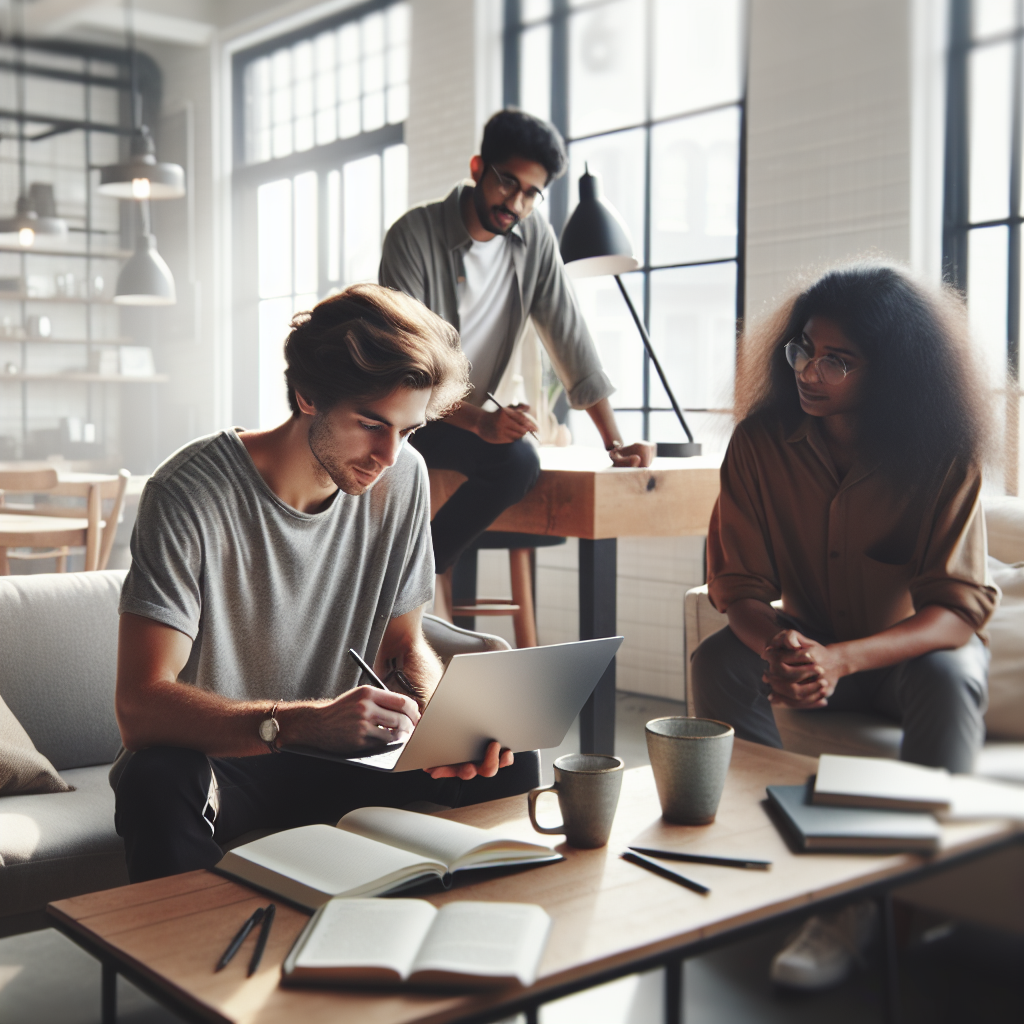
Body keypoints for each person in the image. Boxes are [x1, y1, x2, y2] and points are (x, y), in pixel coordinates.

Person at [112, 284, 536, 883]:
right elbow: (139, 705)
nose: (389, 454)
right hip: (231, 762)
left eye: (408, 431)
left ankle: (466, 951)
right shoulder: (187, 493)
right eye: (370, 424)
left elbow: (402, 645)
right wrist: (305, 723)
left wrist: (447, 725)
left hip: (354, 760)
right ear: (307, 394)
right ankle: (190, 965)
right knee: (154, 781)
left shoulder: (402, 478)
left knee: (509, 762)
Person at [690, 262, 997, 991]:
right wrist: (783, 645)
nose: (810, 371)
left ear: (891, 372)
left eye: (838, 359)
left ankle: (897, 901)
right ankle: (772, 861)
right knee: (718, 662)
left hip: (906, 659)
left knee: (952, 677)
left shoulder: (942, 454)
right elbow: (738, 586)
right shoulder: (761, 444)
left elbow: (956, 614)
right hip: (809, 644)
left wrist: (842, 661)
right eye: (803, 348)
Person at [380, 108, 654, 614]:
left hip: (461, 418)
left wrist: (614, 442)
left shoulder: (535, 243)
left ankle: (402, 582)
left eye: (532, 193)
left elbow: (572, 341)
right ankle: (395, 587)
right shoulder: (412, 237)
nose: (517, 202)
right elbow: (405, 367)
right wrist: (481, 423)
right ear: (479, 166)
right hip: (401, 411)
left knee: (520, 461)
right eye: (508, 182)